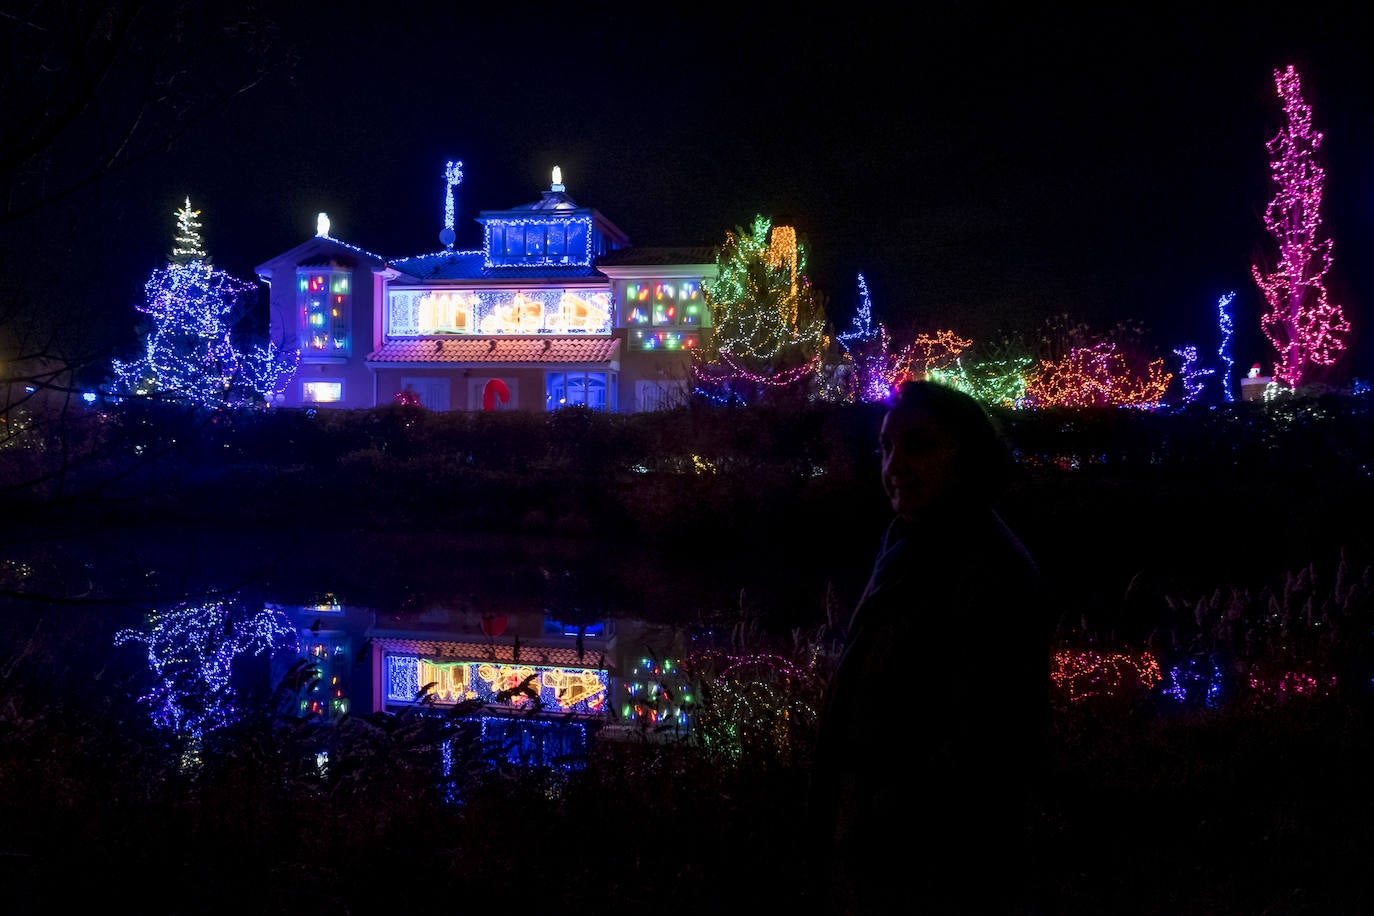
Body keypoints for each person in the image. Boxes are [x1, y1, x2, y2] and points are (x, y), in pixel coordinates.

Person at [810, 379, 1049, 914]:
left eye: (917, 445)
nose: (894, 464)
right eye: (886, 447)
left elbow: (983, 740)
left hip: (926, 869)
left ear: (966, 455)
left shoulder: (987, 569)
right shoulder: (912, 540)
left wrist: (881, 819)